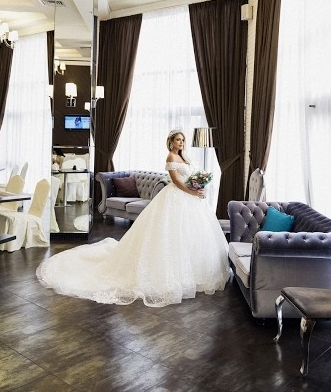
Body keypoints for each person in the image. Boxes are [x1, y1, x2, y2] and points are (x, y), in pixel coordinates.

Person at [36, 129, 230, 307]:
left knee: (190, 234)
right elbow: (177, 181)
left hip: (190, 199)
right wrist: (192, 191)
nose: (181, 142)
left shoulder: (184, 157)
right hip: (176, 196)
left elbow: (189, 178)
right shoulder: (171, 157)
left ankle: (193, 272)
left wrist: (198, 187)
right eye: (178, 140)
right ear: (171, 142)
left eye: (182, 140)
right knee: (169, 233)